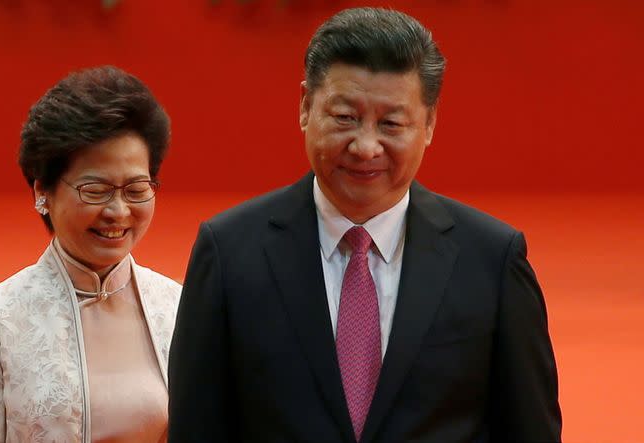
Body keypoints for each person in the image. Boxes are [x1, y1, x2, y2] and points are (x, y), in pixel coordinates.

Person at [168, 7, 561, 443]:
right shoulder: (228, 253)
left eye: (391, 123)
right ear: (305, 106)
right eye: (345, 118)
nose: (365, 146)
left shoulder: (492, 260)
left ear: (429, 123)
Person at [0, 66, 181, 443]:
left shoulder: (179, 308)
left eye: (136, 189)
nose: (118, 211)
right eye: (95, 190)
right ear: (43, 191)